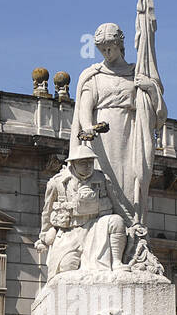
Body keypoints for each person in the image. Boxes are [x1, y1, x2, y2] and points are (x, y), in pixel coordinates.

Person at [70, 22, 166, 228]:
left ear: (120, 45)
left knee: (131, 181)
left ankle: (132, 229)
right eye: (102, 49)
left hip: (130, 136)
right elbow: (84, 108)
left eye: (110, 48)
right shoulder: (93, 75)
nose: (106, 52)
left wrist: (150, 88)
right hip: (102, 138)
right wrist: (88, 128)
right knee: (105, 180)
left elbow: (158, 115)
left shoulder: (136, 74)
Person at [35, 144, 129, 275]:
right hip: (70, 232)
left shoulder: (101, 179)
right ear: (73, 163)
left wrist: (132, 224)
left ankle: (117, 262)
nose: (88, 166)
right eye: (83, 162)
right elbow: (47, 212)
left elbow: (117, 205)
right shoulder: (57, 183)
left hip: (95, 227)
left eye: (91, 162)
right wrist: (44, 237)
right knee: (66, 268)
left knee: (116, 221)